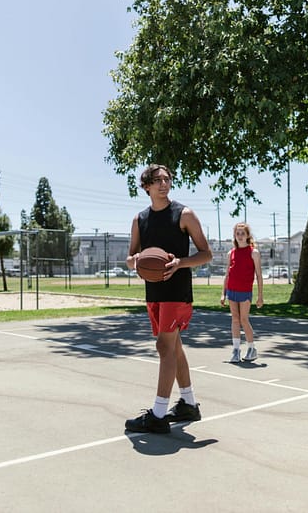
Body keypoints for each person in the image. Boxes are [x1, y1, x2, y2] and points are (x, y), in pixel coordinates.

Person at [124, 164, 213, 434]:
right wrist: (136, 261)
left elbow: (206, 254)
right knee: (174, 348)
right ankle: (188, 403)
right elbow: (130, 258)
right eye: (158, 180)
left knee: (164, 346)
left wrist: (180, 262)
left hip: (177, 291)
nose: (164, 183)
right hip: (155, 292)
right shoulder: (140, 219)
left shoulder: (184, 214)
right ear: (147, 186)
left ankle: (159, 414)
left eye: (167, 179)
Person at [221, 222, 264, 363]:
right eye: (237, 233)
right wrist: (223, 293)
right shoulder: (231, 253)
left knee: (244, 320)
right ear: (235, 235)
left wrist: (260, 296)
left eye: (242, 233)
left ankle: (251, 348)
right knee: (234, 319)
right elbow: (227, 274)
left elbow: (258, 275)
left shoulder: (254, 253)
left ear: (247, 236)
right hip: (232, 291)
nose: (240, 236)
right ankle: (236, 350)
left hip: (245, 292)